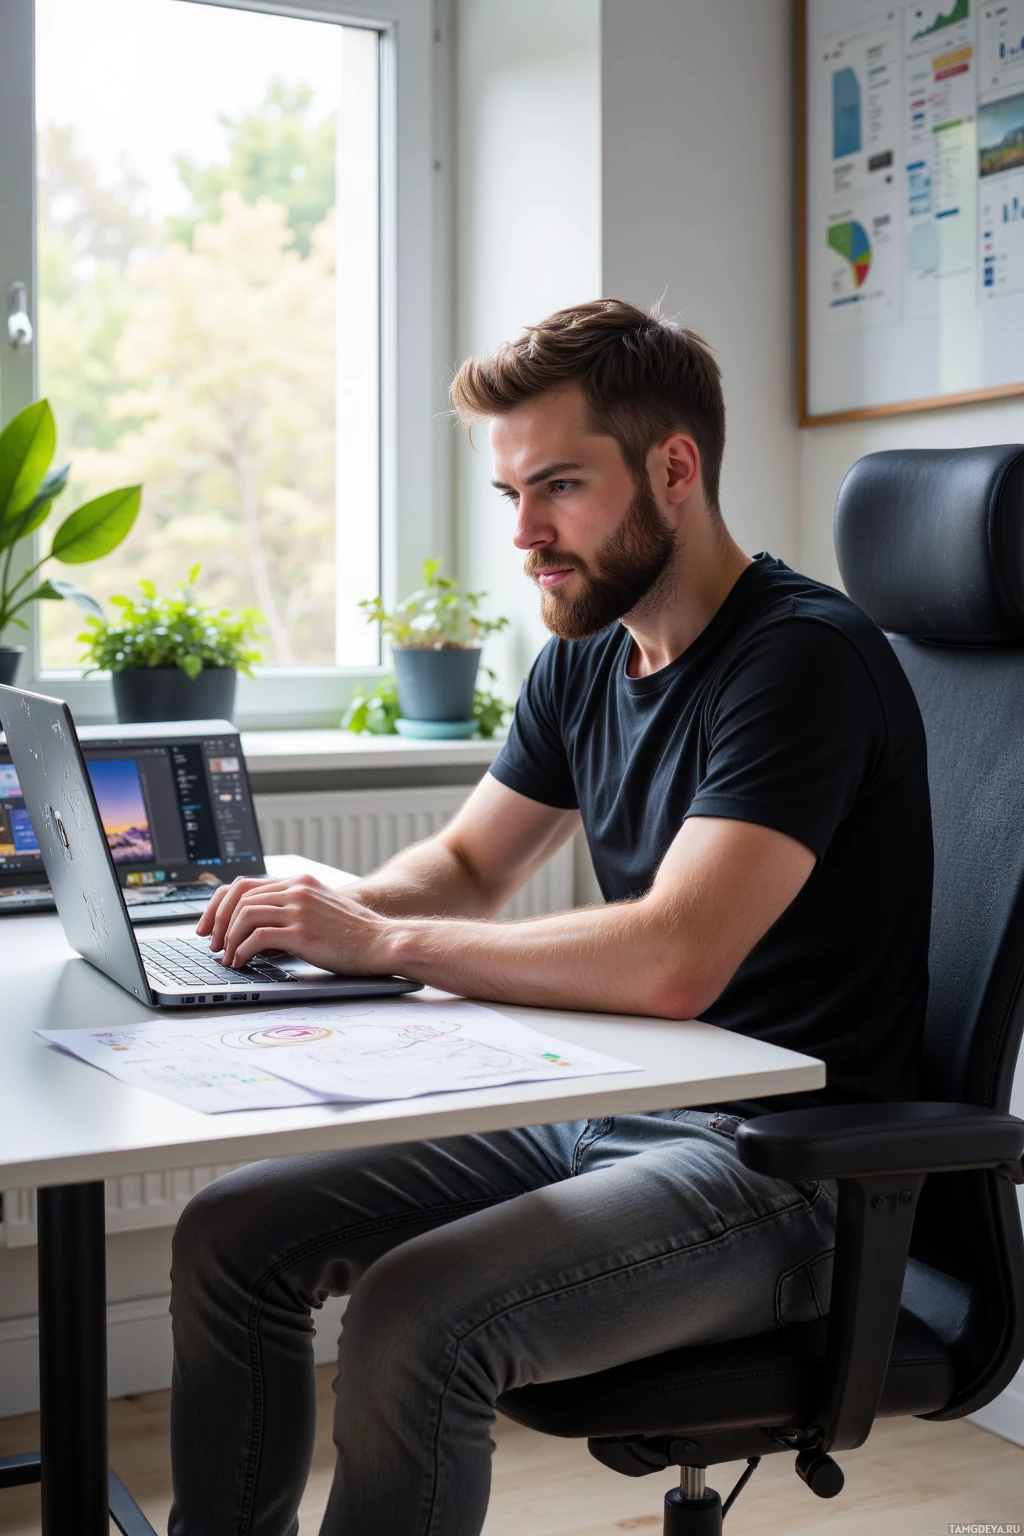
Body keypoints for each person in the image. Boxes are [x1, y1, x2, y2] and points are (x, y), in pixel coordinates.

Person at [168, 299, 932, 1536]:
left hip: (783, 1170)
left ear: (674, 468)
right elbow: (470, 867)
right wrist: (319, 905)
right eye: (511, 494)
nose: (525, 534)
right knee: (231, 1232)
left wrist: (384, 943)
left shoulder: (803, 663)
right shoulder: (587, 650)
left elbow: (675, 959)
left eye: (559, 487)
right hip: (609, 1112)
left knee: (419, 1317)